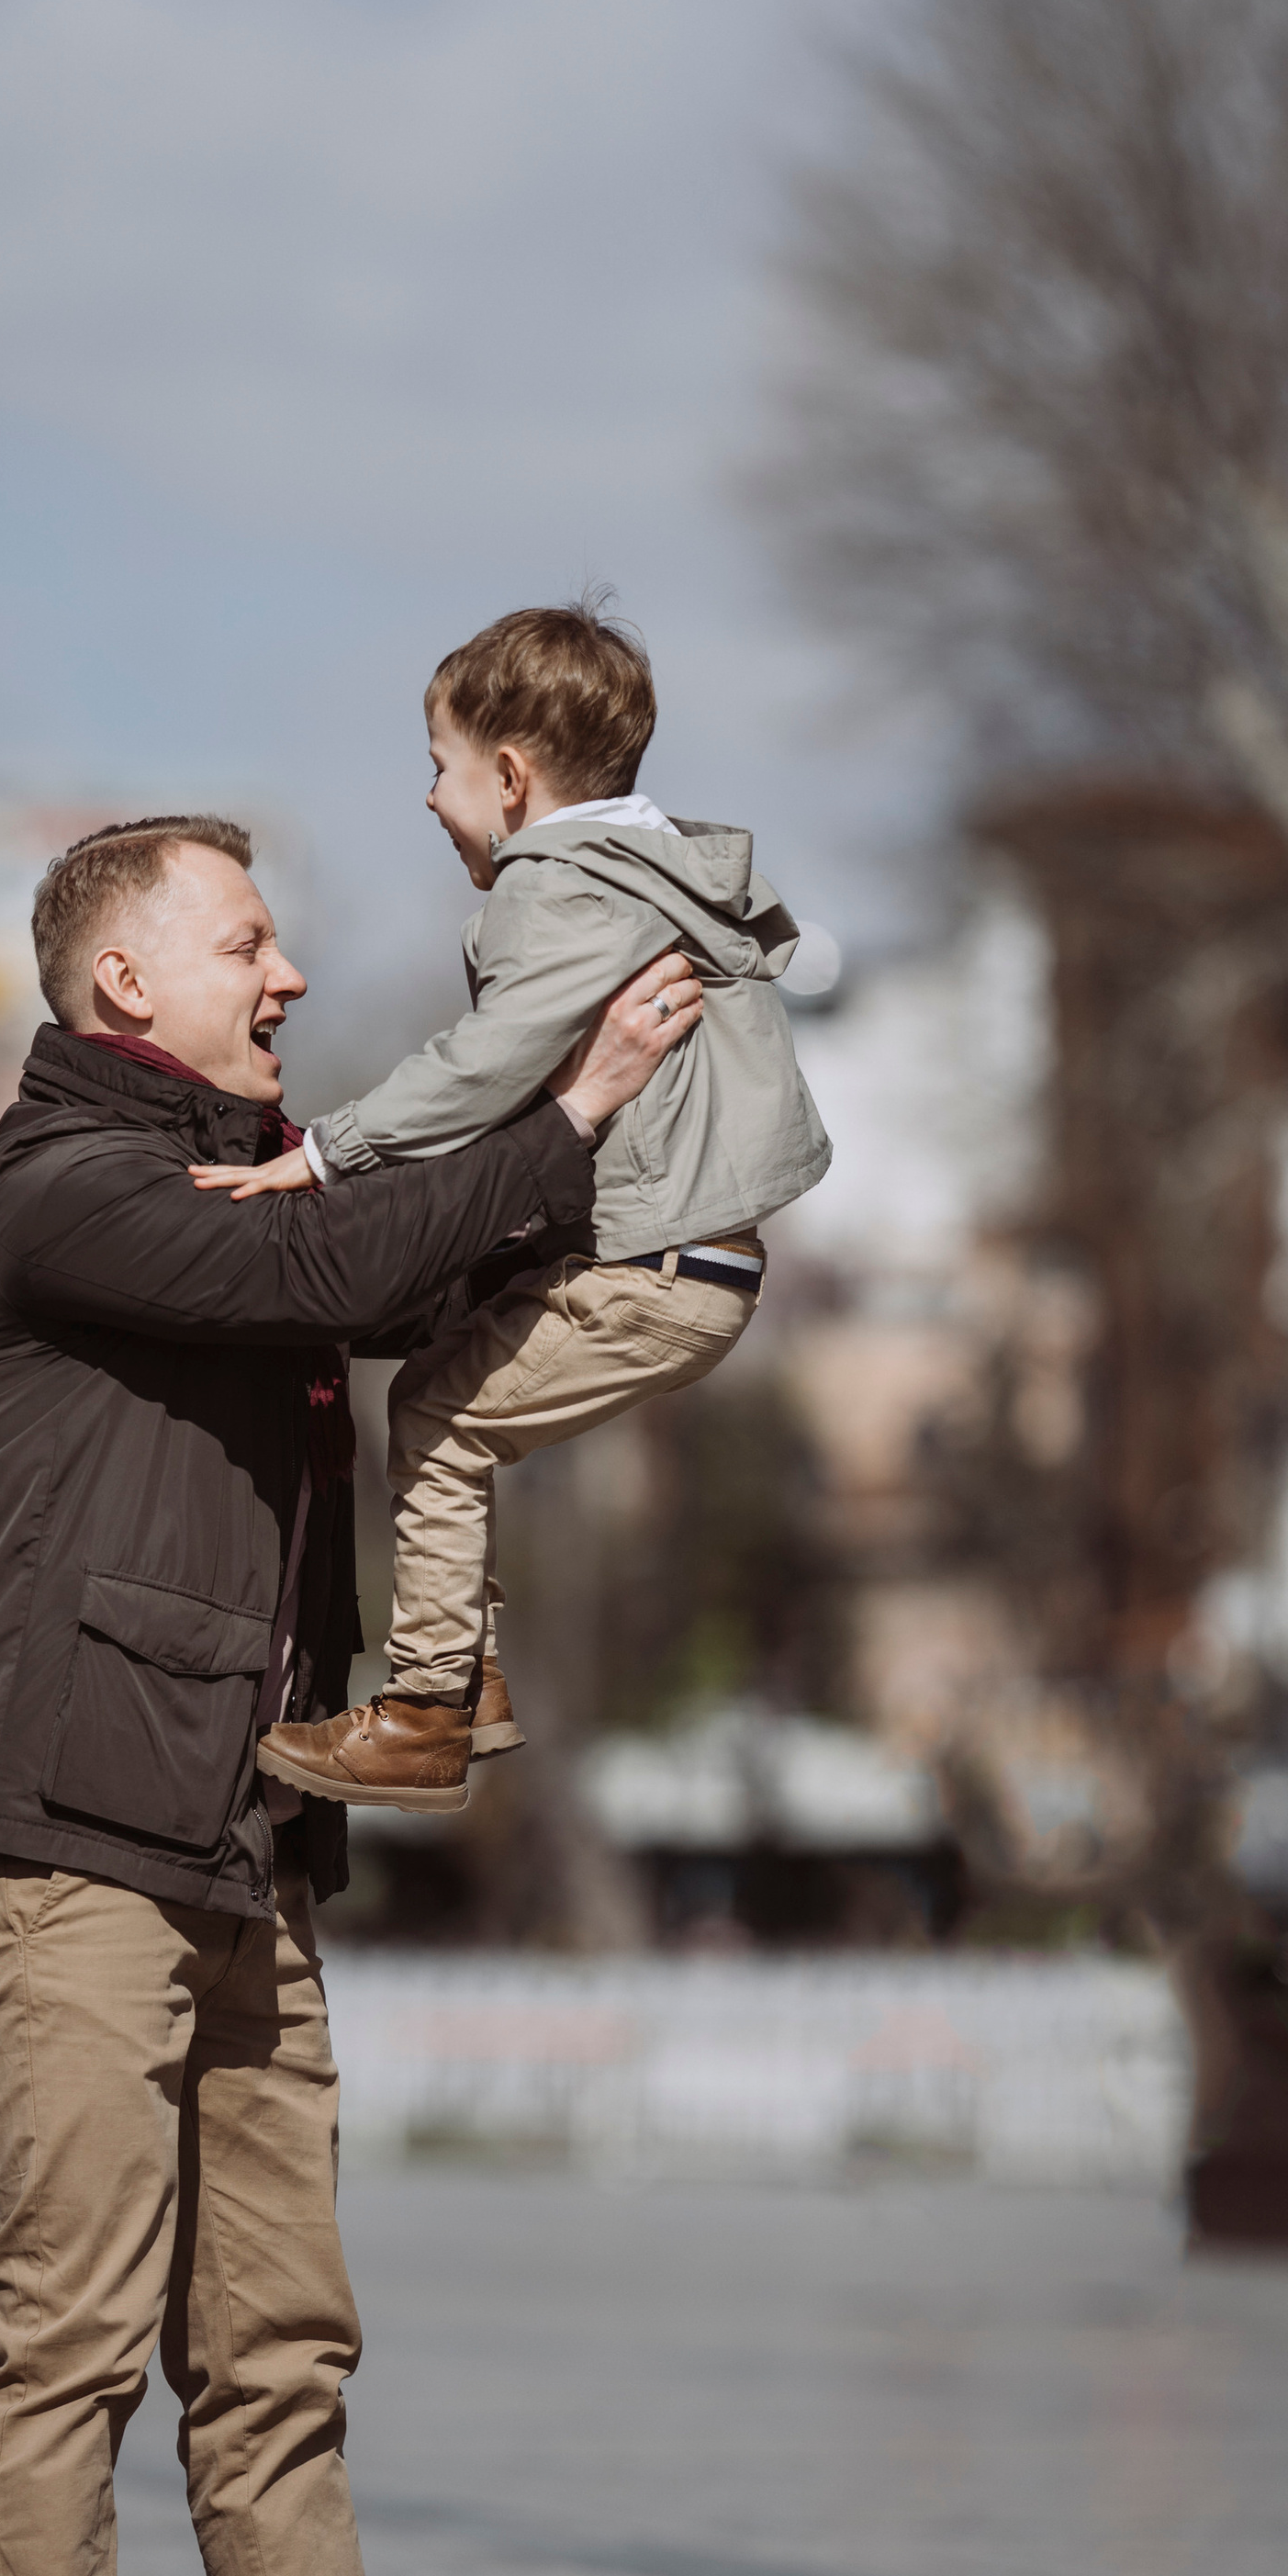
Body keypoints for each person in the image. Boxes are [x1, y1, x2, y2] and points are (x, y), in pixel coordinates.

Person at [0, 815, 699, 2576]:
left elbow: (408, 1265)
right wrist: (572, 1101)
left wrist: (649, 1172)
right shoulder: (62, 1193)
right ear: (116, 987)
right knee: (66, 2338)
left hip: (232, 1838)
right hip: (59, 1836)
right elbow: (317, 1277)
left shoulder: (253, 1182)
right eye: (244, 940)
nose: (284, 972)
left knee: (274, 2345)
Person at [204, 602, 831, 1809]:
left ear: (509, 773)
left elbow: (490, 1063)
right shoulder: (647, 872)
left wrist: (333, 1151)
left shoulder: (558, 883)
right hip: (694, 1260)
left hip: (650, 1265)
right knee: (449, 1374)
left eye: (437, 769)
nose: (428, 800)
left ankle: (426, 1709)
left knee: (438, 1416)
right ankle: (465, 1675)